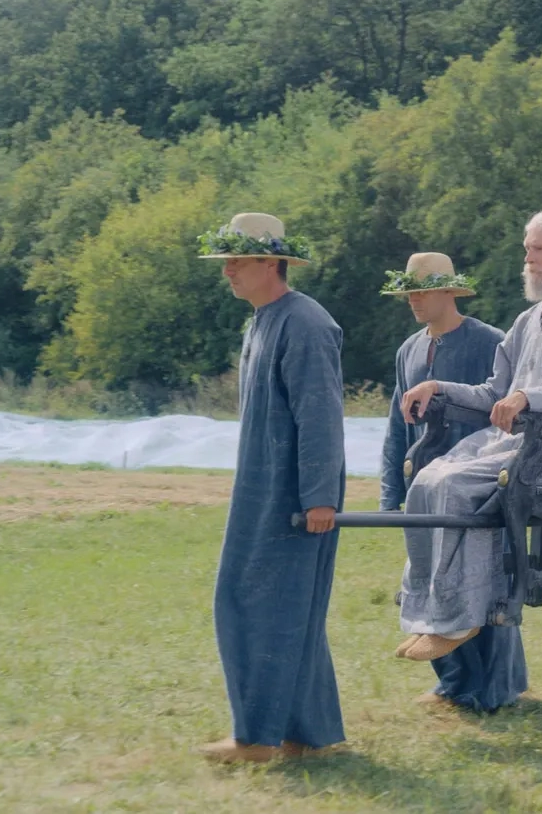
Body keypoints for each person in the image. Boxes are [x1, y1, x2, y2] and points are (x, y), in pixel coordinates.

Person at [394, 211, 542, 662]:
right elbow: (493, 390)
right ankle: (429, 612)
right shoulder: (527, 319)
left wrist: (526, 399)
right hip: (507, 444)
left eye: (538, 250)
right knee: (427, 480)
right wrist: (437, 387)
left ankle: (461, 616)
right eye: (527, 250)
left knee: (456, 486)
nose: (528, 259)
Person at [196, 213, 346, 763]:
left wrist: (320, 497)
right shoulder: (262, 321)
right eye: (225, 261)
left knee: (254, 602)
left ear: (270, 262)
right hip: (261, 484)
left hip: (294, 494)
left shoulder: (306, 323)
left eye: (237, 260)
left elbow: (321, 416)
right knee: (285, 611)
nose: (228, 271)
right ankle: (310, 733)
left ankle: (257, 738)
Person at [378, 252, 526, 712]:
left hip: (484, 484)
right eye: (409, 292)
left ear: (449, 291)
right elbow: (396, 429)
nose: (414, 300)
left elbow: (510, 408)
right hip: (427, 489)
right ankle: (453, 685)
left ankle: (496, 690)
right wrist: (391, 495)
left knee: (485, 585)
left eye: (422, 290)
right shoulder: (408, 350)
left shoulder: (490, 341)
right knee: (430, 581)